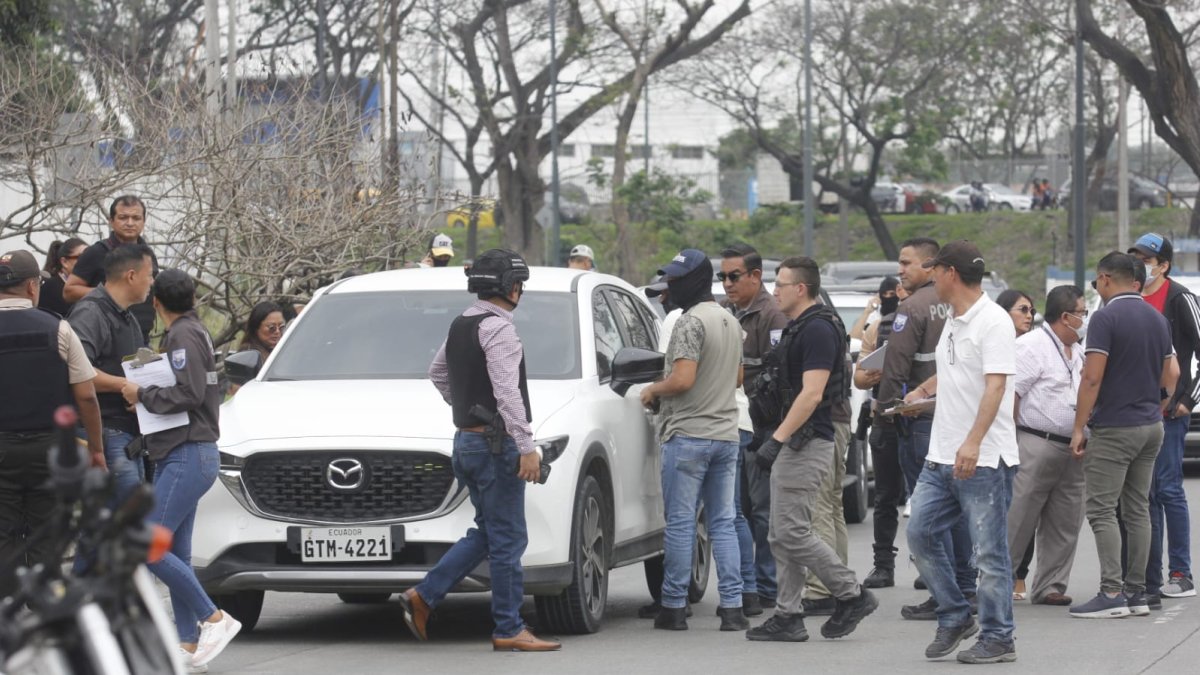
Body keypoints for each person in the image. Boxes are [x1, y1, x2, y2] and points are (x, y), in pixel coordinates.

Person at [400, 249, 560, 651]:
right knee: (508, 540)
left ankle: (424, 595)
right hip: (495, 446)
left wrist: (467, 409)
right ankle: (508, 628)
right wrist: (525, 446)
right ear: (511, 286)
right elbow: (507, 392)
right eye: (519, 283)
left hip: (467, 443)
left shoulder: (462, 323)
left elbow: (437, 372)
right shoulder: (500, 328)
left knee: (489, 532)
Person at [745, 256, 877, 643]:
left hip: (808, 439)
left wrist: (776, 440)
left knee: (792, 530)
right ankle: (789, 614)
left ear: (800, 289)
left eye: (780, 284)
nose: (774, 291)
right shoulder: (801, 325)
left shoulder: (818, 328)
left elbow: (813, 394)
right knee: (779, 532)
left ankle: (851, 594)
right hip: (797, 438)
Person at [903, 240, 1018, 664]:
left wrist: (972, 442)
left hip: (983, 459)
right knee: (920, 534)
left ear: (950, 273)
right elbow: (953, 368)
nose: (930, 277)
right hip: (941, 454)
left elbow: (996, 385)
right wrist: (923, 390)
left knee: (988, 554)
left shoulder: (994, 322)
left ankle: (999, 636)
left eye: (934, 270)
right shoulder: (954, 318)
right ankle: (954, 614)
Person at [119, 269, 240, 670]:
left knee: (147, 545)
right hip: (193, 452)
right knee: (175, 552)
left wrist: (142, 393)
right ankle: (187, 645)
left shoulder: (182, 336)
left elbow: (187, 393)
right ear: (193, 298)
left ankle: (214, 618)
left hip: (186, 452)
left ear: (156, 302)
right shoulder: (197, 330)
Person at [639, 249, 746, 631]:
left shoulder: (689, 322)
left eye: (675, 280)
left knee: (682, 523)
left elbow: (682, 380)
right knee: (723, 522)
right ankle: (732, 608)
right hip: (726, 436)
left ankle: (673, 607)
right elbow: (736, 379)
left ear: (696, 281)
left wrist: (653, 389)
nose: (669, 287)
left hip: (688, 436)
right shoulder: (729, 320)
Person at [1069, 252, 1178, 619]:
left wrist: (1078, 427)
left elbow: (1092, 377)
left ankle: (1111, 592)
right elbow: (1172, 374)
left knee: (1102, 510)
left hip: (1115, 426)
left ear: (1104, 279)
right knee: (1138, 510)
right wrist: (1157, 404)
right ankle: (1138, 593)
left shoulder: (1105, 317)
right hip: (1151, 426)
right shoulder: (1156, 317)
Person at [879, 238, 977, 613]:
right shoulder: (956, 307)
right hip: (955, 419)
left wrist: (885, 415)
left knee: (932, 515)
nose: (900, 270)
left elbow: (896, 366)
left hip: (919, 419)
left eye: (907, 263)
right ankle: (964, 587)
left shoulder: (912, 306)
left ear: (931, 265)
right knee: (957, 511)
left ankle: (945, 593)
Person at [0, 250, 104, 601]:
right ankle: (43, 609)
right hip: (50, 448)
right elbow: (87, 396)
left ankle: (7, 611)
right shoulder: (58, 328)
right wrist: (96, 449)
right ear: (32, 286)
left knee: (3, 532)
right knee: (46, 530)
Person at [1006, 285, 1087, 608]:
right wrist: (1010, 442)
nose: (1084, 319)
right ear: (1065, 317)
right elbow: (1012, 394)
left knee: (1066, 518)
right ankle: (1000, 580)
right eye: (1081, 313)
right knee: (1018, 516)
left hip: (1073, 445)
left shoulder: (1078, 350)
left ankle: (1050, 584)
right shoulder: (1031, 346)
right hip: (1035, 440)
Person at [1128, 233, 1198, 601]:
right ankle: (1148, 577)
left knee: (1169, 489)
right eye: (1136, 256)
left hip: (1170, 412)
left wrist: (1188, 398)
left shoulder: (1180, 298)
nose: (1141, 262)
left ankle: (1181, 572)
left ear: (1164, 265)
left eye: (1147, 257)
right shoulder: (1130, 297)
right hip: (1137, 413)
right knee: (1146, 494)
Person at [721, 244, 789, 616]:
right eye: (723, 277)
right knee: (741, 510)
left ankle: (767, 585)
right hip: (737, 424)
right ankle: (749, 584)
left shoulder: (771, 315)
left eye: (734, 276)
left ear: (755, 276)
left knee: (762, 511)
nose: (727, 284)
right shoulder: (730, 313)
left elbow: (778, 374)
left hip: (764, 426)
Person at [67, 244, 155, 502]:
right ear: (131, 275)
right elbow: (78, 372)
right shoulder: (90, 312)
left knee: (129, 522)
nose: (152, 282)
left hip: (129, 435)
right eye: (149, 275)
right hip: (104, 434)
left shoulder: (128, 316)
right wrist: (124, 385)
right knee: (112, 525)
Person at [854, 276, 906, 589]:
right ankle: (883, 565)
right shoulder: (879, 327)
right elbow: (859, 377)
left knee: (929, 499)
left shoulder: (929, 324)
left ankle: (929, 567)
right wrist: (871, 373)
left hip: (921, 420)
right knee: (885, 498)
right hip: (885, 419)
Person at [64, 196, 160, 344]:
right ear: (111, 221)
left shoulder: (147, 255)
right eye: (123, 217)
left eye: (136, 218)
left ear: (143, 221)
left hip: (142, 336)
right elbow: (69, 291)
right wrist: (112, 293)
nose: (130, 223)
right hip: (106, 337)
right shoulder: (96, 252)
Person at [37, 237, 87, 317]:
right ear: (64, 262)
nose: (88, 261)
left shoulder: (94, 285)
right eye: (82, 257)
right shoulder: (49, 288)